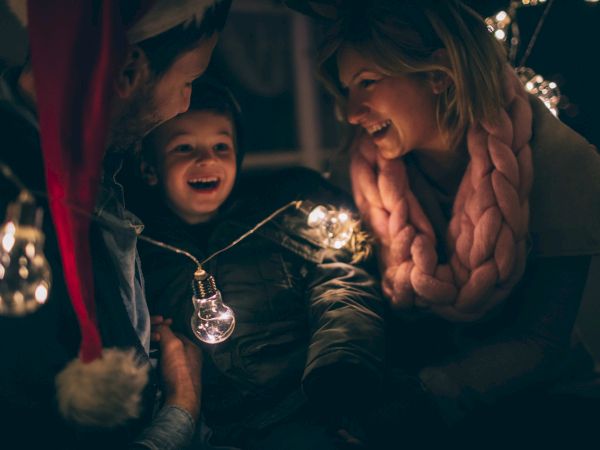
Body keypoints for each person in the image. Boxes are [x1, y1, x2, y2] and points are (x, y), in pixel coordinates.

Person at [289, 0, 600, 443]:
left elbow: (541, 343)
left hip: (548, 403)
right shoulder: (359, 173)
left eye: (368, 82)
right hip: (408, 391)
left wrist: (417, 399)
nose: (352, 111)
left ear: (438, 75)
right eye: (347, 89)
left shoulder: (560, 162)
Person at [0, 1, 231, 448]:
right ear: (127, 70)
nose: (184, 105)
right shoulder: (21, 223)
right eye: (188, 82)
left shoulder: (83, 175)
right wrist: (183, 403)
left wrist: (133, 333)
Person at [134, 80, 386, 449]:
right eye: (184, 147)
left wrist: (339, 367)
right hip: (215, 429)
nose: (207, 159)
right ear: (149, 168)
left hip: (305, 409)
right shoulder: (140, 251)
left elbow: (340, 284)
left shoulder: (280, 218)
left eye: (221, 146)